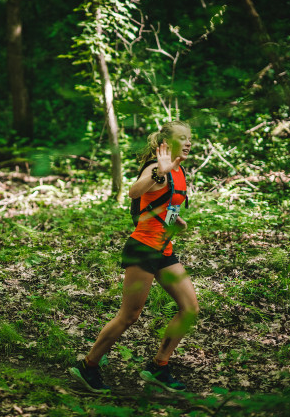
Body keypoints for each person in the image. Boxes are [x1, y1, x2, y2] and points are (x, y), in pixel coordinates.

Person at [69, 121, 199, 393]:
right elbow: (135, 191)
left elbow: (159, 204)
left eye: (190, 138)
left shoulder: (179, 170)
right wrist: (157, 174)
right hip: (142, 249)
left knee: (190, 308)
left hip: (163, 249)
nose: (188, 143)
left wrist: (176, 220)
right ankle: (88, 366)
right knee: (129, 316)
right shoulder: (157, 168)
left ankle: (159, 367)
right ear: (166, 143)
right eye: (182, 138)